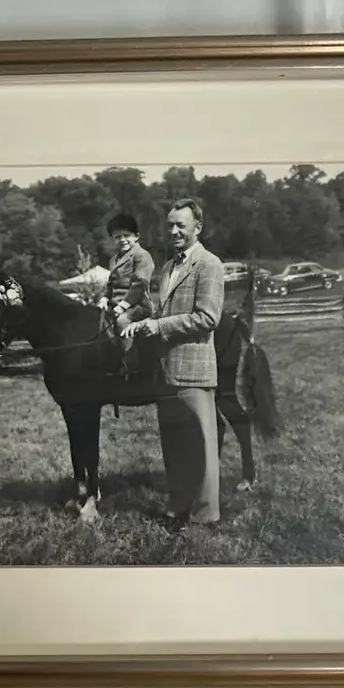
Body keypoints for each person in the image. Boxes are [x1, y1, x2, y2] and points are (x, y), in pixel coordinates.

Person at [123, 197, 225, 530]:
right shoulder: (167, 267)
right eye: (170, 225)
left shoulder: (209, 264)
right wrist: (137, 317)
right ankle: (178, 506)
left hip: (194, 371)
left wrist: (159, 326)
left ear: (198, 227)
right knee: (175, 448)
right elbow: (160, 313)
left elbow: (207, 317)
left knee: (200, 448)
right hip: (165, 371)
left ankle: (203, 515)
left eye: (181, 224)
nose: (174, 230)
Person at [99, 212, 154, 337]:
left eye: (126, 235)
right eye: (118, 237)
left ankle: (127, 355)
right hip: (115, 305)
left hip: (138, 306)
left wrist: (123, 306)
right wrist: (104, 298)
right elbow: (110, 283)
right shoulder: (114, 259)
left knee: (121, 321)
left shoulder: (141, 255)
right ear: (113, 239)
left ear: (136, 236)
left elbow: (140, 285)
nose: (122, 240)